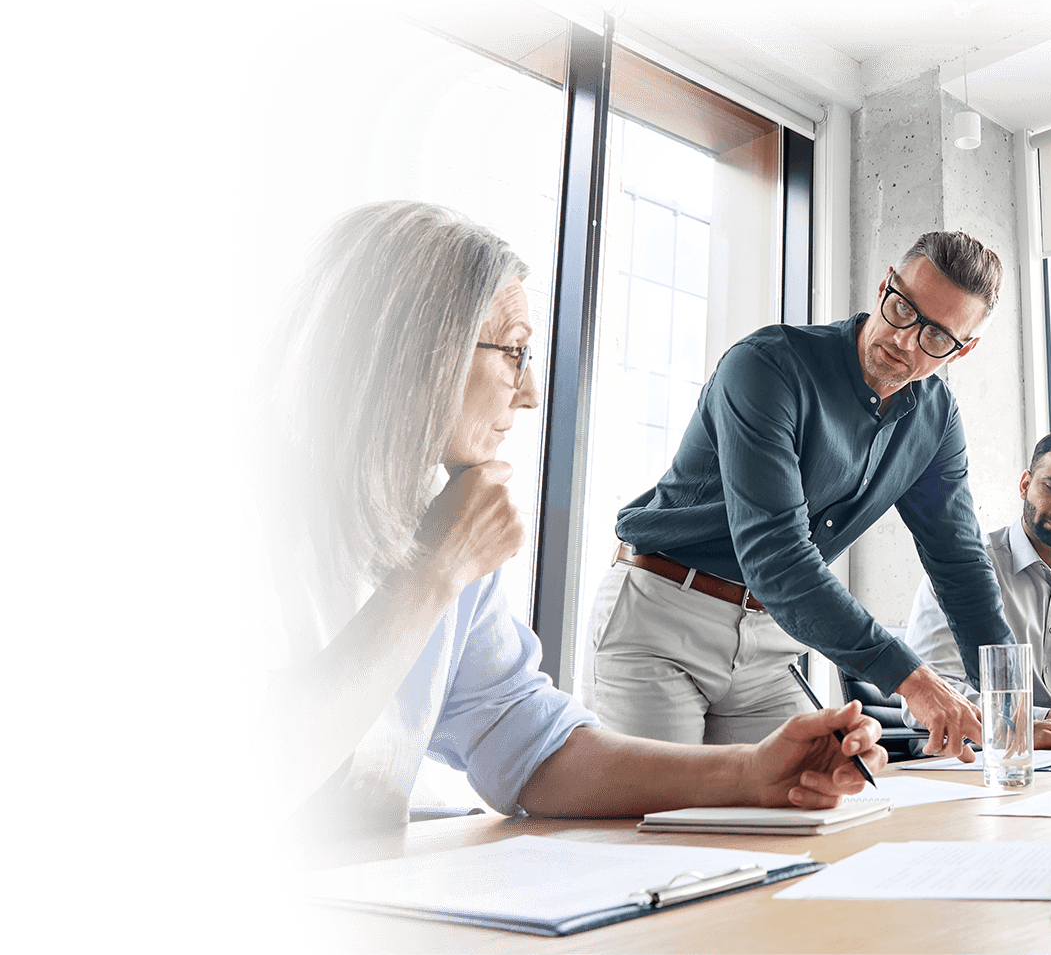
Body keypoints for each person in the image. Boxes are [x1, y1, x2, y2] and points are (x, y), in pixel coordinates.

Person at [232, 201, 887, 850]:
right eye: (514, 353)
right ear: (424, 352)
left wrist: (752, 772)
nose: (532, 392)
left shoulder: (438, 511)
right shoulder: (252, 490)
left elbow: (525, 743)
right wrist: (435, 572)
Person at [591, 230, 1051, 762]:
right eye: (902, 309)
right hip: (663, 615)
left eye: (938, 337)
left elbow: (960, 567)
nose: (906, 341)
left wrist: (1013, 712)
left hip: (768, 641)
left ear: (965, 349)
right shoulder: (767, 367)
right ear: (885, 285)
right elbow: (778, 556)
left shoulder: (934, 419)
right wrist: (914, 680)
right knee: (656, 825)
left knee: (806, 810)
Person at [903, 428, 1051, 741]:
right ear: (1025, 484)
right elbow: (927, 699)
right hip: (986, 760)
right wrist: (1048, 719)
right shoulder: (961, 569)